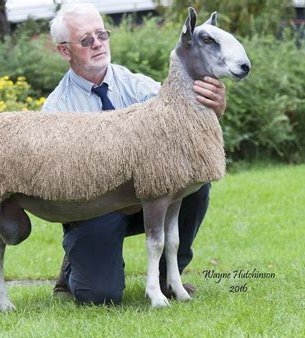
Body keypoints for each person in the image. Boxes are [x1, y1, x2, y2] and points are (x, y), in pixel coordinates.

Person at [42, 3, 227, 305]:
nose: (98, 43)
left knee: (194, 183)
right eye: (86, 40)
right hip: (93, 210)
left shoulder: (137, 85)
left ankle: (169, 277)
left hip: (146, 199)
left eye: (102, 34)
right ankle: (73, 267)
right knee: (99, 297)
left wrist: (216, 107)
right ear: (65, 51)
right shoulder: (56, 111)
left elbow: (183, 127)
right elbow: (61, 188)